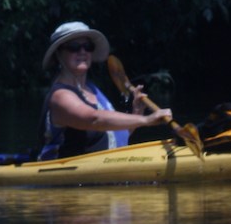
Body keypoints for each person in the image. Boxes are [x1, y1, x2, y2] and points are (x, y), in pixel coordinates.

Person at [37, 21, 172, 160]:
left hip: (104, 165)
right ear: (58, 54)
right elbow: (94, 119)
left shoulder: (92, 90)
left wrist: (136, 113)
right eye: (74, 47)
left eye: (88, 47)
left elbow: (114, 135)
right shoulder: (60, 96)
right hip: (65, 170)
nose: (82, 52)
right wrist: (146, 120)